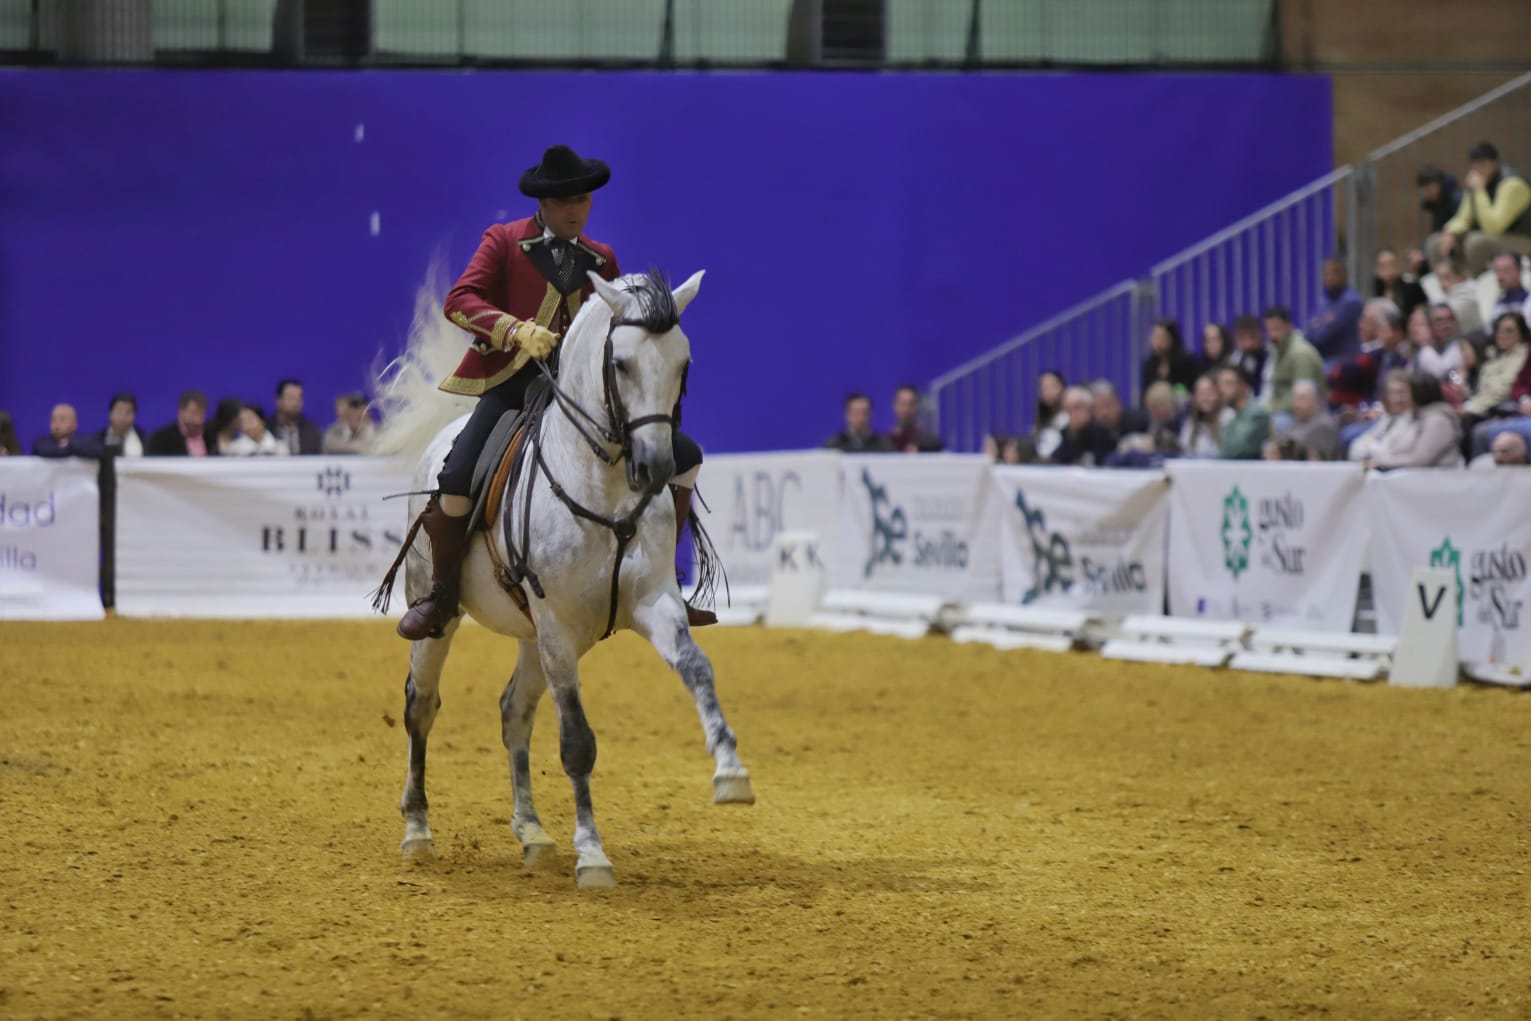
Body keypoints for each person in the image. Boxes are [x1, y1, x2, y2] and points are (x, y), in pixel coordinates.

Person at [398, 145, 712, 639]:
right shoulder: (503, 241)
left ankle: (663, 579)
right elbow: (459, 301)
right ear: (543, 204)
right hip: (513, 385)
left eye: (583, 201)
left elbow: (620, 327)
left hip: (583, 395)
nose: (575, 210)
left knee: (685, 456)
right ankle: (441, 593)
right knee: (457, 475)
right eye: (565, 202)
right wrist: (513, 330)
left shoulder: (601, 258)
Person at [1429, 142, 1531, 276]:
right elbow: (1464, 217)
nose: (1478, 169)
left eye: (1483, 164)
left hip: (1522, 239)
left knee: (1476, 242)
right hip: (1494, 237)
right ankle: (1448, 283)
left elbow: (1494, 227)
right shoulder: (1477, 183)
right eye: (1475, 165)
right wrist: (1450, 232)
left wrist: (1479, 191)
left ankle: (1474, 284)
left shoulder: (1513, 184)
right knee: (1436, 241)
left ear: (1495, 163)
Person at [1362, 375, 1463, 469]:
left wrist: (1381, 462)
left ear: (1418, 395)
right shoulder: (1420, 417)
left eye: (1406, 393)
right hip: (1418, 477)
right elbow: (1399, 450)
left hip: (1438, 480)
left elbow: (1420, 460)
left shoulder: (1438, 422)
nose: (1404, 398)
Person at [1263, 306, 1326, 429]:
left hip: (1307, 414)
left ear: (1289, 326)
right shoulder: (1277, 351)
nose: (1272, 335)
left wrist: (1271, 409)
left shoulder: (1300, 353)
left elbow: (1303, 397)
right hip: (1282, 410)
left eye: (1276, 329)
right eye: (1269, 330)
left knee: (1272, 425)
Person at [1306, 258, 1364, 362]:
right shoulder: (1324, 301)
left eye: (1335, 272)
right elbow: (1309, 332)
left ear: (1345, 274)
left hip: (1343, 360)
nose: (1330, 277)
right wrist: (1322, 322)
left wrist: (1319, 323)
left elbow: (1322, 337)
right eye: (1326, 273)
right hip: (1323, 358)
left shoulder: (1351, 302)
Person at [1050, 386, 1116, 466]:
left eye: (1077, 407)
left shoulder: (1101, 432)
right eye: (1068, 409)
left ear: (1089, 408)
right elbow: (1056, 461)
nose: (1073, 414)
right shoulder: (1066, 433)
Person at [1215, 365, 1270, 460]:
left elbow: (1236, 449)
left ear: (1244, 387)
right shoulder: (1232, 417)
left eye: (1228, 384)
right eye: (1220, 384)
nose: (1221, 390)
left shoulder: (1257, 414)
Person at [1140, 319, 1204, 398]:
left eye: (1161, 337)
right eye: (1155, 336)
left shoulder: (1187, 361)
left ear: (1172, 339)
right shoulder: (1149, 363)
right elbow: (1145, 393)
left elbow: (1194, 391)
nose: (1157, 342)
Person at [1178, 373, 1234, 459]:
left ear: (1218, 394)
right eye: (1200, 393)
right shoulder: (1190, 423)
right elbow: (1185, 453)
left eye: (1209, 392)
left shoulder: (1229, 417)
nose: (1205, 398)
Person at [1281, 380, 1340, 460]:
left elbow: (1294, 449)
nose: (1296, 405)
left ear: (1316, 401)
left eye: (1302, 399)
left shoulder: (1324, 426)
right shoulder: (1298, 421)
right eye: (1295, 399)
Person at [148, 390, 216, 457]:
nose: (198, 420)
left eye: (201, 414)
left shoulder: (211, 437)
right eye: (194, 413)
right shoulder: (162, 439)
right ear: (181, 411)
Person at [1373, 246, 1428, 324]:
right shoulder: (1373, 290)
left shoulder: (1413, 289)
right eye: (1383, 266)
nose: (1389, 270)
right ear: (1377, 269)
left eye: (1392, 264)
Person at [1411, 303, 1464, 382]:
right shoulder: (1425, 350)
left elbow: (1456, 380)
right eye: (1439, 321)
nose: (1446, 325)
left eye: (1450, 319)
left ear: (1456, 322)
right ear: (1430, 325)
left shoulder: (1462, 347)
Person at [823, 393, 892, 452]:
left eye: (865, 412)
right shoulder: (833, 446)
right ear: (847, 414)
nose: (860, 418)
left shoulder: (883, 447)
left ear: (871, 414)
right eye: (856, 413)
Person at [269, 379, 323, 455]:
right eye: (291, 398)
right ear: (279, 401)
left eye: (299, 398)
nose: (296, 403)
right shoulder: (267, 429)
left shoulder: (311, 431)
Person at [1431, 259, 1483, 337]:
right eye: (1440, 278)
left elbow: (1447, 314)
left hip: (1473, 340)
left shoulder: (1469, 292)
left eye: (1447, 277)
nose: (1442, 283)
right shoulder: (1443, 293)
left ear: (1460, 276)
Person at [886, 384, 942, 453]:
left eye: (911, 404)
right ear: (895, 406)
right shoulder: (885, 442)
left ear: (917, 406)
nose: (906, 409)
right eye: (902, 404)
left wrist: (921, 451)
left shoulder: (930, 443)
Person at [1417, 164, 1463, 236]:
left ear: (1438, 185)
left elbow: (1461, 222)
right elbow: (1436, 230)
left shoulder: (1456, 199)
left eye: (1427, 190)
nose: (1425, 194)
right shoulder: (1435, 203)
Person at [95, 393, 145, 458]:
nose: (122, 417)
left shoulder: (143, 439)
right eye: (119, 412)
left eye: (128, 412)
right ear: (110, 413)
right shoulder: (99, 439)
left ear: (135, 415)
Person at [1031, 370, 1067, 460]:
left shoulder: (1069, 416)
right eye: (1044, 388)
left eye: (1053, 387)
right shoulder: (1040, 418)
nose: (1049, 392)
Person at [1489, 252, 1530, 320]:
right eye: (1497, 271)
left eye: (1506, 270)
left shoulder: (1528, 302)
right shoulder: (1497, 305)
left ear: (1519, 271)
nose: (1500, 277)